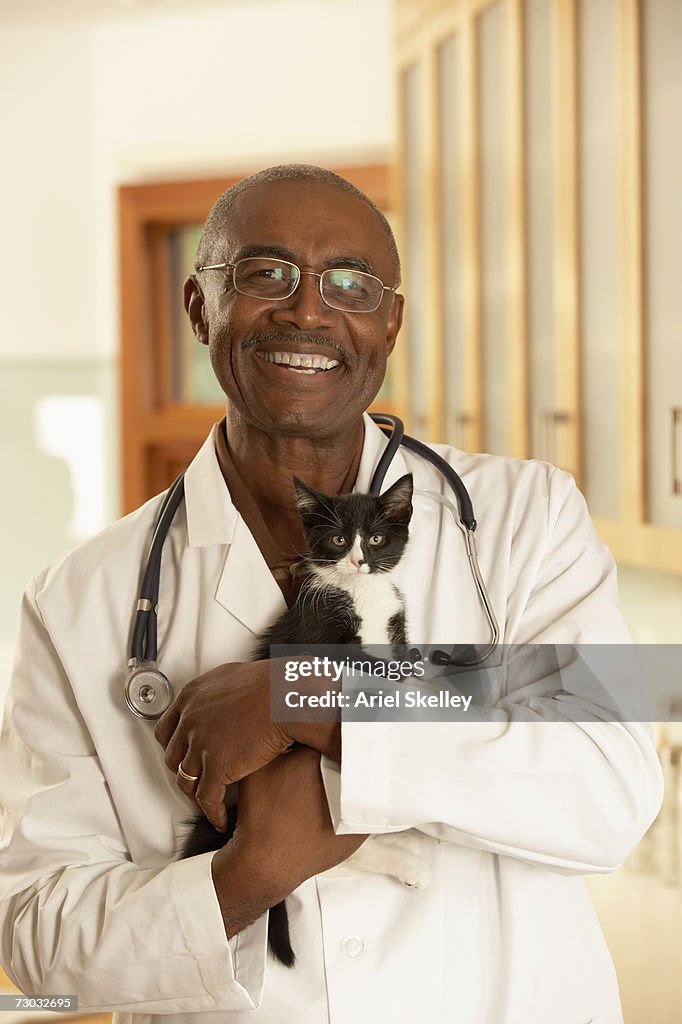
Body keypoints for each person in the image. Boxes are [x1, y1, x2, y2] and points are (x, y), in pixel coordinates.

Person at [0, 164, 663, 1024]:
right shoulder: (76, 600)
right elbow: (38, 941)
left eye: (350, 282)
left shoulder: (528, 516)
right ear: (200, 308)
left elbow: (613, 791)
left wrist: (306, 697)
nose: (309, 311)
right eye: (264, 274)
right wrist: (244, 880)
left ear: (389, 323)